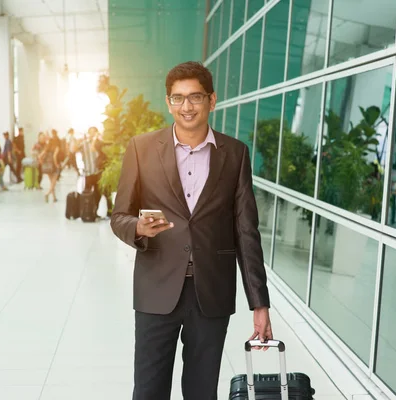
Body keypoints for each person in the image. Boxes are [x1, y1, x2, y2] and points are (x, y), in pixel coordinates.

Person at [110, 61, 273, 400]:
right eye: (179, 98)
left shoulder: (235, 154)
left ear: (212, 100)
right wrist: (139, 228)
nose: (187, 107)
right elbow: (119, 216)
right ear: (168, 102)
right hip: (156, 289)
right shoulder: (141, 149)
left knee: (201, 392)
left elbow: (246, 232)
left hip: (211, 292)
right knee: (149, 391)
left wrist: (259, 303)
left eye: (195, 97)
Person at [84, 126, 113, 217]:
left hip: (103, 171)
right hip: (96, 171)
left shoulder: (101, 143)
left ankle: (109, 211)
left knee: (105, 192)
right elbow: (92, 148)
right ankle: (94, 211)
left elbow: (94, 148)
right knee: (98, 193)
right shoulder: (96, 143)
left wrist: (96, 138)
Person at [39, 134, 60, 202]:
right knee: (53, 183)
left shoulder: (47, 148)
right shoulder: (56, 147)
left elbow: (40, 156)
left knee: (51, 183)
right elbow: (54, 157)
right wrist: (57, 164)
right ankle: (47, 194)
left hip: (47, 167)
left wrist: (42, 163)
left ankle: (54, 197)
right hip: (53, 166)